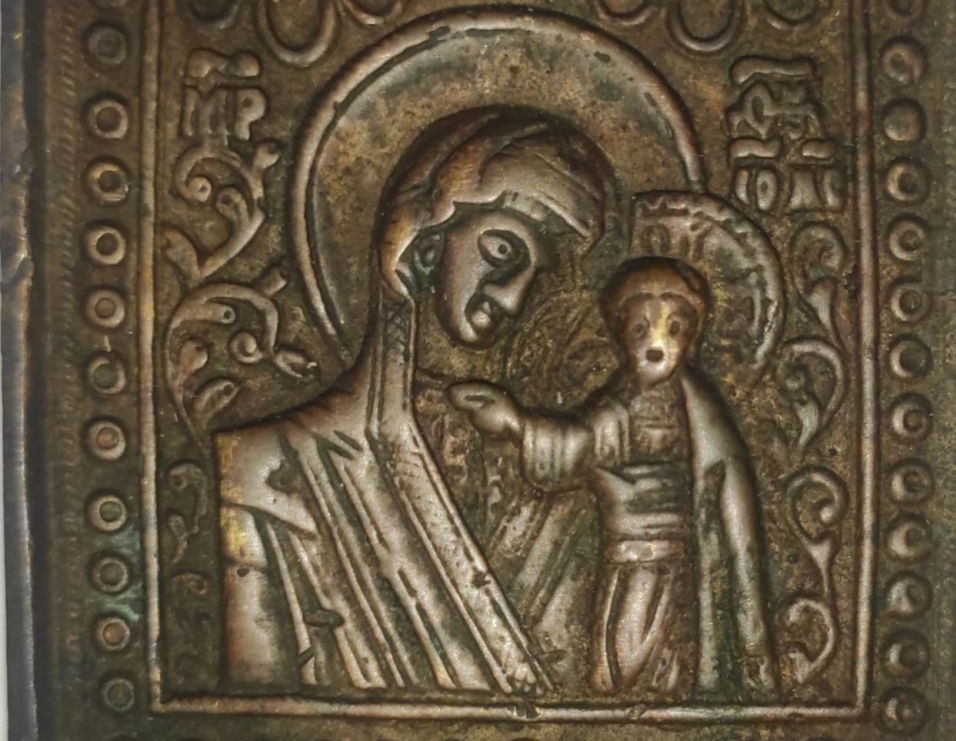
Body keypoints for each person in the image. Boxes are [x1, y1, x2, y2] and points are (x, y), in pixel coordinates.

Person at [214, 107, 613, 696]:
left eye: (538, 277)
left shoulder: (566, 490)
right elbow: (255, 724)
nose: (513, 299)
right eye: (502, 251)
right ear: (424, 242)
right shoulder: (265, 471)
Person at [450, 257, 777, 701]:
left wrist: (516, 424)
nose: (656, 345)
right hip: (624, 550)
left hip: (670, 555)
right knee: (619, 651)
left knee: (649, 651)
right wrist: (516, 424)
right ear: (621, 335)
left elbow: (722, 480)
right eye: (641, 329)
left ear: (692, 338)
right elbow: (580, 444)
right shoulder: (623, 402)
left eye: (674, 329)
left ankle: (659, 706)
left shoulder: (698, 408)